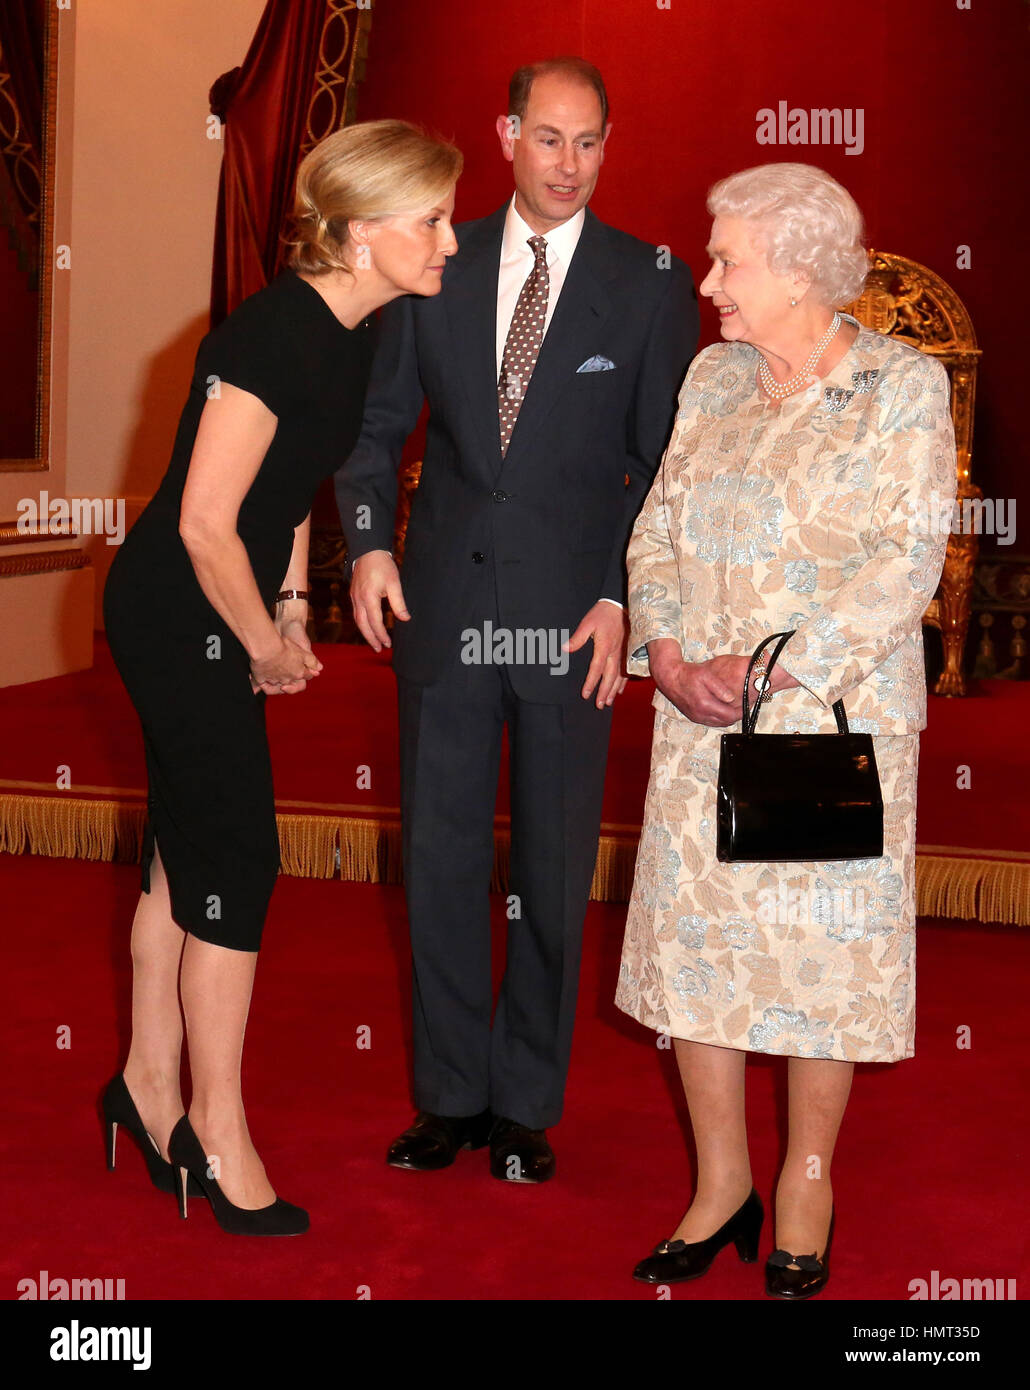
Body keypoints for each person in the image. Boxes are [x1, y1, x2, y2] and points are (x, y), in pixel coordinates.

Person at [336, 57, 698, 1183]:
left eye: (589, 142)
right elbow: (373, 422)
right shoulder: (438, 261)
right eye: (548, 139)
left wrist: (618, 597)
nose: (569, 165)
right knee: (439, 860)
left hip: (572, 626)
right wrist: (367, 541)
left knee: (550, 867)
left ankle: (525, 1104)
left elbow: (661, 469)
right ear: (504, 136)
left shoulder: (649, 282)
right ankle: (448, 1095)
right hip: (441, 610)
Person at [101, 120, 462, 1235]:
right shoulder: (271, 337)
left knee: (185, 848)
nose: (450, 240)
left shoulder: (354, 326)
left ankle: (144, 1084)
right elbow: (206, 525)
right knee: (237, 863)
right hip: (178, 612)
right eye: (433, 220)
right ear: (361, 235)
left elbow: (288, 487)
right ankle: (216, 1129)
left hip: (224, 604)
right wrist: (257, 638)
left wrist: (294, 606)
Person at [617, 162, 956, 1296]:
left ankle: (805, 1177)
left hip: (823, 728)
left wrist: (758, 678)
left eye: (729, 261)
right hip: (694, 720)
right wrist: (664, 656)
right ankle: (721, 1184)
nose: (707, 281)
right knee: (700, 964)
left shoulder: (900, 388)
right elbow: (655, 526)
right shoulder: (712, 378)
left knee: (816, 965)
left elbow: (900, 568)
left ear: (803, 268)